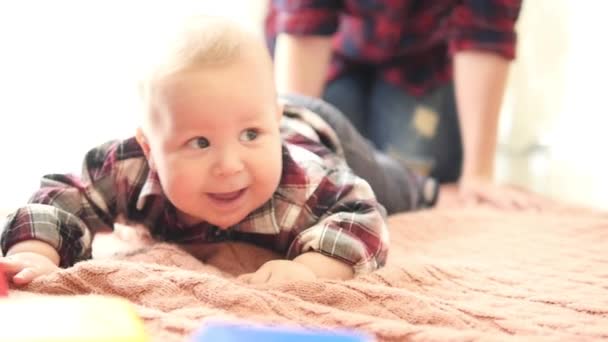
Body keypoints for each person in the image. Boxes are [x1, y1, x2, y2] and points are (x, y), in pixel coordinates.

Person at [0, 16, 437, 286]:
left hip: (319, 127)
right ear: (151, 150)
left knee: (391, 186)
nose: (229, 167)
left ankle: (424, 185)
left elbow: (364, 215)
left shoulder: (303, 180)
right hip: (267, 108)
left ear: (270, 123)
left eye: (250, 136)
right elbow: (63, 195)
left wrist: (314, 268)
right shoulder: (128, 167)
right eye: (200, 143)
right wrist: (35, 252)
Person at [266, 0, 526, 206]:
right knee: (328, 158)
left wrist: (478, 173)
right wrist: (292, 152)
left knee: (410, 179)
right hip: (336, 52)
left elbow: (486, 31)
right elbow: (306, 24)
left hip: (427, 58)